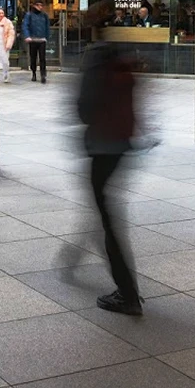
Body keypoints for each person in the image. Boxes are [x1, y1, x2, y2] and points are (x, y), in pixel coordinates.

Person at [77, 42, 142, 315]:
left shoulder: (96, 65)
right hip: (122, 144)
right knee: (104, 208)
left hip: (101, 146)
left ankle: (127, 294)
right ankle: (80, 251)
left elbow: (84, 109)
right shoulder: (121, 63)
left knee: (106, 218)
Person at [21, 0, 49, 83]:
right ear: (34, 5)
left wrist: (46, 37)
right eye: (39, 5)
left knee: (42, 58)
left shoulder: (44, 15)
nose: (40, 7)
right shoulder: (29, 15)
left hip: (42, 39)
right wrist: (27, 36)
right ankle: (33, 73)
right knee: (33, 58)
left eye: (41, 5)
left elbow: (47, 26)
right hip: (32, 39)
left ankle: (43, 74)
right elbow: (25, 25)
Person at [0, 8, 15, 84]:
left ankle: (6, 74)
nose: (1, 14)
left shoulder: (8, 22)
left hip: (4, 45)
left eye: (2, 13)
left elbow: (11, 34)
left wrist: (9, 44)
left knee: (5, 62)